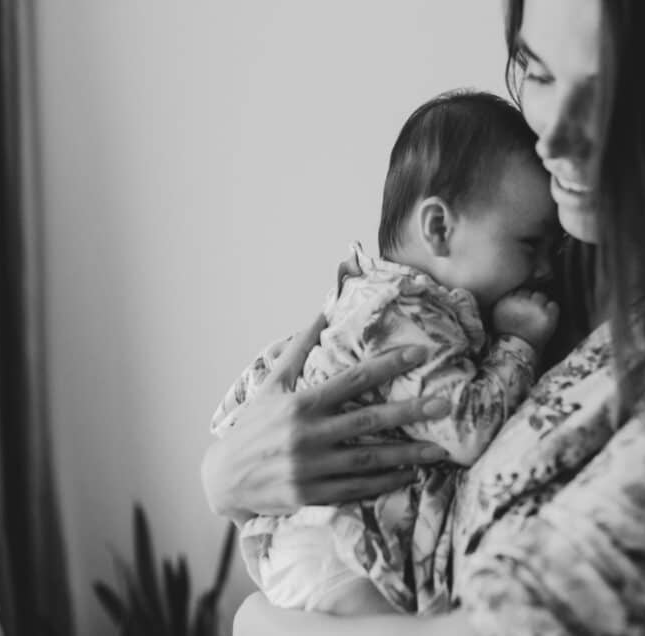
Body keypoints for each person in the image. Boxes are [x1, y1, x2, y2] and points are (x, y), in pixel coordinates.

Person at [201, 1, 645, 634]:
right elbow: (338, 378)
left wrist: (260, 621)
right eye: (537, 72)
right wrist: (227, 477)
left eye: (606, 99)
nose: (554, 141)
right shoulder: (576, 259)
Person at [210, 90, 561, 616]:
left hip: (323, 539)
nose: (546, 270)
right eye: (530, 246)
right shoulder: (407, 313)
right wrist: (519, 343)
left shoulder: (373, 302)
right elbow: (466, 430)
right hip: (335, 546)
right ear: (439, 228)